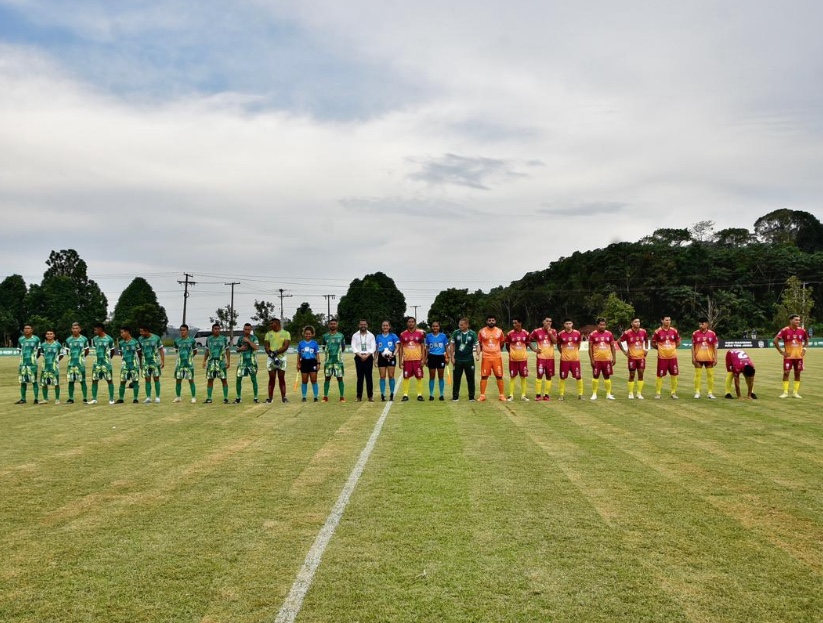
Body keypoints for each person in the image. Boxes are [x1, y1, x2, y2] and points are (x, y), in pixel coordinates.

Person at [773, 314, 809, 398]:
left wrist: (804, 349)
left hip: (799, 357)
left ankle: (795, 393)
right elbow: (775, 341)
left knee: (797, 373)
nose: (798, 322)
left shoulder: (802, 330)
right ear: (791, 320)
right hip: (788, 357)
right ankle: (785, 392)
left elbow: (807, 340)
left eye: (799, 320)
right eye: (796, 320)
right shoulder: (785, 330)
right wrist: (781, 352)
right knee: (786, 373)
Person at [617, 317, 649, 399]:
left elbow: (646, 340)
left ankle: (639, 393)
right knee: (632, 375)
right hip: (632, 357)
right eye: (635, 322)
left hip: (641, 357)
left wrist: (646, 349)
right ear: (631, 323)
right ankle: (630, 393)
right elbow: (618, 341)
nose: (638, 323)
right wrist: (624, 351)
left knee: (641, 374)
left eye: (639, 321)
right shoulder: (627, 333)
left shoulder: (643, 331)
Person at [449, 317, 479, 401]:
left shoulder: (472, 334)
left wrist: (477, 354)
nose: (460, 326)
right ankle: (455, 397)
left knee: (470, 379)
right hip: (458, 360)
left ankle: (471, 397)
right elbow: (452, 345)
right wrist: (452, 357)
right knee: (456, 379)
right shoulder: (455, 333)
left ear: (467, 325)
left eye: (461, 325)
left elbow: (477, 345)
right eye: (459, 324)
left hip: (469, 360)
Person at [478, 314, 506, 402]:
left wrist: (495, 350)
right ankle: (482, 395)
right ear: (487, 321)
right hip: (486, 357)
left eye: (493, 320)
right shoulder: (481, 331)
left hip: (496, 357)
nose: (491, 322)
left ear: (495, 321)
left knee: (499, 375)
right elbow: (479, 342)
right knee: (484, 376)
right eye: (489, 320)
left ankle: (501, 395)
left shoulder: (499, 331)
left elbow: (502, 343)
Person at [652, 315, 681, 399]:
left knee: (674, 374)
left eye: (669, 320)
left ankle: (673, 393)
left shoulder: (674, 331)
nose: (668, 321)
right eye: (666, 320)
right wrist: (660, 349)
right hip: (662, 358)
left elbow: (678, 342)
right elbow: (653, 343)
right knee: (660, 375)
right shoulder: (658, 332)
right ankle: (658, 393)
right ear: (662, 321)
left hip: (673, 357)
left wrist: (672, 348)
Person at [398, 316, 427, 401]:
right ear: (407, 323)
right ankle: (405, 395)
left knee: (419, 377)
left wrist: (423, 359)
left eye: (412, 321)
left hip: (417, 359)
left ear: (415, 323)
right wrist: (400, 361)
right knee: (406, 377)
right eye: (409, 322)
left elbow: (423, 347)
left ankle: (419, 395)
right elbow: (400, 348)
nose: (411, 323)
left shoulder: (420, 334)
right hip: (407, 360)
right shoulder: (403, 334)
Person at [529, 317, 557, 401]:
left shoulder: (554, 331)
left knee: (549, 376)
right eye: (547, 321)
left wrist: (550, 333)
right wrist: (534, 349)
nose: (548, 323)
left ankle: (546, 395)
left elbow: (555, 342)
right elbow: (528, 340)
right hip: (541, 358)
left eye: (550, 321)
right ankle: (538, 395)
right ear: (543, 322)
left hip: (550, 358)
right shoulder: (536, 331)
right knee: (539, 375)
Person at [588, 318, 616, 400]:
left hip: (607, 359)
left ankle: (608, 394)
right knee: (595, 376)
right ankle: (594, 394)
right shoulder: (592, 334)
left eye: (604, 325)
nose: (602, 326)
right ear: (597, 325)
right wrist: (591, 359)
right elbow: (590, 348)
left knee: (607, 376)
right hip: (597, 359)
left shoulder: (609, 334)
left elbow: (612, 347)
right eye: (601, 324)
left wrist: (614, 358)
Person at [264, 318, 291, 404]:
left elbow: (285, 346)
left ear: (277, 323)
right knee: (271, 378)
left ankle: (284, 397)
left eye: (272, 323)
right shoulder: (268, 334)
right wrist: (271, 354)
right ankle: (270, 398)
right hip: (271, 358)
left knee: (281, 378)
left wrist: (275, 352)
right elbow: (266, 347)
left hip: (281, 358)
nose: (270, 325)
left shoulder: (286, 333)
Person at [557, 319, 584, 400]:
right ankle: (561, 395)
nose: (568, 325)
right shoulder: (560, 334)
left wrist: (574, 352)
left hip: (575, 360)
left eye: (570, 323)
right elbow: (558, 345)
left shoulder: (577, 333)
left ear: (572, 324)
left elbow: (578, 345)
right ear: (564, 325)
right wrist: (563, 353)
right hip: (564, 360)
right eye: (566, 323)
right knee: (562, 377)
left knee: (578, 376)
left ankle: (580, 394)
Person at [203, 323, 231, 404]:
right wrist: (204, 361)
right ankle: (209, 398)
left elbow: (227, 350)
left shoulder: (224, 339)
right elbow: (207, 351)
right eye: (215, 328)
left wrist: (228, 361)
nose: (217, 330)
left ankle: (225, 398)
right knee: (210, 380)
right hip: (211, 362)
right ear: (212, 330)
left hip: (221, 362)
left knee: (224, 379)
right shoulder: (209, 339)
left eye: (218, 329)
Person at [692, 317, 718, 399]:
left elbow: (715, 346)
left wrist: (715, 358)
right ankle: (697, 392)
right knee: (698, 375)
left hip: (709, 357)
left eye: (702, 323)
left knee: (710, 375)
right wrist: (693, 357)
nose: (700, 325)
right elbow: (693, 346)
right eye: (699, 323)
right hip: (698, 357)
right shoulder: (695, 333)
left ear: (707, 324)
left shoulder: (712, 334)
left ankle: (710, 393)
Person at [89, 323, 115, 405]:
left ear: (101, 329)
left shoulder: (109, 339)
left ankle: (111, 399)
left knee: (109, 380)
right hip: (96, 364)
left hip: (106, 364)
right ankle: (94, 399)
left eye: (96, 329)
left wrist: (107, 360)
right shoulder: (95, 339)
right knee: (94, 381)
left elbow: (113, 351)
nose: (94, 331)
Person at [138, 325, 165, 403]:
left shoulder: (156, 338)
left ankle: (157, 397)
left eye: (142, 331)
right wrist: (140, 362)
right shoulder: (140, 339)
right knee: (147, 379)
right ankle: (148, 397)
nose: (141, 333)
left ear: (146, 331)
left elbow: (161, 349)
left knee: (156, 378)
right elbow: (139, 352)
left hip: (155, 362)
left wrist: (162, 361)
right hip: (145, 362)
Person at [506, 317, 531, 401]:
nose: (514, 325)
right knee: (512, 376)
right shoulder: (509, 334)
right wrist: (513, 354)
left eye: (515, 323)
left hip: (523, 360)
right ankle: (511, 395)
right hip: (513, 360)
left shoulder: (526, 333)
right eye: (513, 323)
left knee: (523, 377)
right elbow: (507, 346)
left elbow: (527, 344)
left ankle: (523, 395)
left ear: (520, 323)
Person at [64, 322, 90, 404]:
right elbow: (68, 351)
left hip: (80, 364)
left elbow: (87, 351)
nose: (75, 330)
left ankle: (85, 397)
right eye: (73, 328)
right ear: (71, 329)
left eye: (76, 328)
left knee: (82, 381)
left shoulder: (84, 339)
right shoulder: (68, 340)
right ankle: (71, 398)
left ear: (80, 329)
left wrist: (81, 359)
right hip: (71, 364)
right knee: (71, 381)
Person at [351, 319, 376, 402]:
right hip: (358, 357)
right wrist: (360, 355)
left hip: (368, 357)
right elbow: (353, 347)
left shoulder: (371, 335)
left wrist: (367, 355)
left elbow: (373, 347)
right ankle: (359, 396)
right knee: (360, 378)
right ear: (359, 325)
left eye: (364, 324)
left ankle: (370, 396)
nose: (363, 326)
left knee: (369, 377)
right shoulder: (355, 335)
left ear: (367, 325)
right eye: (361, 324)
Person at [234, 323, 260, 403]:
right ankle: (238, 397)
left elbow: (256, 347)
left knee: (253, 379)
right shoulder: (240, 338)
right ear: (243, 329)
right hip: (242, 362)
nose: (247, 331)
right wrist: (241, 348)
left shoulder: (254, 338)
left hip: (252, 362)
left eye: (248, 329)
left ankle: (255, 398)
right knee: (238, 379)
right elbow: (237, 349)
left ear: (251, 330)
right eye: (245, 329)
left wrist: (248, 341)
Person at [322, 318, 346, 402]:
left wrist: (338, 354)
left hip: (338, 361)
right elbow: (323, 347)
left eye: (334, 324)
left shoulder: (341, 335)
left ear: (337, 325)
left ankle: (342, 396)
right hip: (328, 361)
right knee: (327, 378)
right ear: (329, 325)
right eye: (331, 324)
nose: (332, 325)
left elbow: (343, 347)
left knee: (340, 378)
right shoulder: (325, 336)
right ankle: (325, 396)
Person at [16, 323, 41, 404]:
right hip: (22, 364)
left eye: (28, 328)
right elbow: (19, 350)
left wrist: (33, 359)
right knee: (23, 382)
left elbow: (39, 351)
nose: (26, 330)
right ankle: (23, 399)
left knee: (34, 381)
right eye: (25, 328)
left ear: (32, 330)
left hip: (32, 364)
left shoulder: (36, 339)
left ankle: (36, 399)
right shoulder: (20, 339)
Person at [173, 324, 197, 403]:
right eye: (181, 330)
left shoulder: (192, 340)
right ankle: (178, 397)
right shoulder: (177, 341)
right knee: (178, 380)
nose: (182, 331)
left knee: (191, 380)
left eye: (184, 330)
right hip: (180, 364)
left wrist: (189, 357)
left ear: (187, 331)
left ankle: (193, 397)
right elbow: (177, 351)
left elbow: (195, 351)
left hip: (189, 364)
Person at [117, 326, 142, 404]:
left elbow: (139, 354)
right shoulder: (121, 343)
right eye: (120, 332)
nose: (121, 334)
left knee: (135, 381)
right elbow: (121, 353)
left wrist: (140, 363)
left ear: (127, 332)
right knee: (122, 381)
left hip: (134, 364)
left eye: (122, 332)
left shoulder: (135, 342)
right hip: (125, 365)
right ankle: (121, 398)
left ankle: (135, 398)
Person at [375, 321, 399, 401]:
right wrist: (375, 359)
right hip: (381, 358)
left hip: (391, 357)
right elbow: (377, 349)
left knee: (391, 376)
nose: (385, 327)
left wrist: (394, 354)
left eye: (386, 325)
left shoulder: (393, 336)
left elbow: (397, 347)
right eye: (383, 325)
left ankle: (392, 394)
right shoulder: (378, 337)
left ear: (389, 327)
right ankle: (383, 394)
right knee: (382, 376)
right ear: (382, 327)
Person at [425, 321, 449, 401]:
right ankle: (431, 395)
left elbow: (446, 347)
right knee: (432, 377)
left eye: (437, 326)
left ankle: (441, 394)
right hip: (431, 357)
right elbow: (427, 348)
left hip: (441, 357)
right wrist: (426, 358)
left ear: (439, 327)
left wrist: (447, 357)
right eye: (433, 326)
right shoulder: (428, 336)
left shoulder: (443, 336)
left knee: (441, 376)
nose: (435, 328)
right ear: (431, 327)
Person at [38, 329, 63, 404]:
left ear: (54, 335)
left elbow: (61, 354)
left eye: (51, 334)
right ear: (46, 335)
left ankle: (57, 399)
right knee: (44, 383)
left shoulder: (58, 344)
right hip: (45, 366)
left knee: (56, 383)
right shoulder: (43, 345)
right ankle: (45, 399)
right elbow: (42, 354)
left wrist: (56, 361)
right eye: (48, 334)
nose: (49, 335)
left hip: (54, 366)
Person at [297, 326, 321, 402]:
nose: (308, 335)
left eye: (309, 334)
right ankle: (304, 396)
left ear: (312, 334)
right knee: (304, 380)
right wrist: (298, 363)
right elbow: (299, 354)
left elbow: (317, 354)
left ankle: (315, 396)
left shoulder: (314, 343)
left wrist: (318, 363)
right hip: (304, 362)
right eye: (306, 334)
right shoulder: (301, 343)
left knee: (314, 379)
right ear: (304, 334)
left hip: (312, 362)